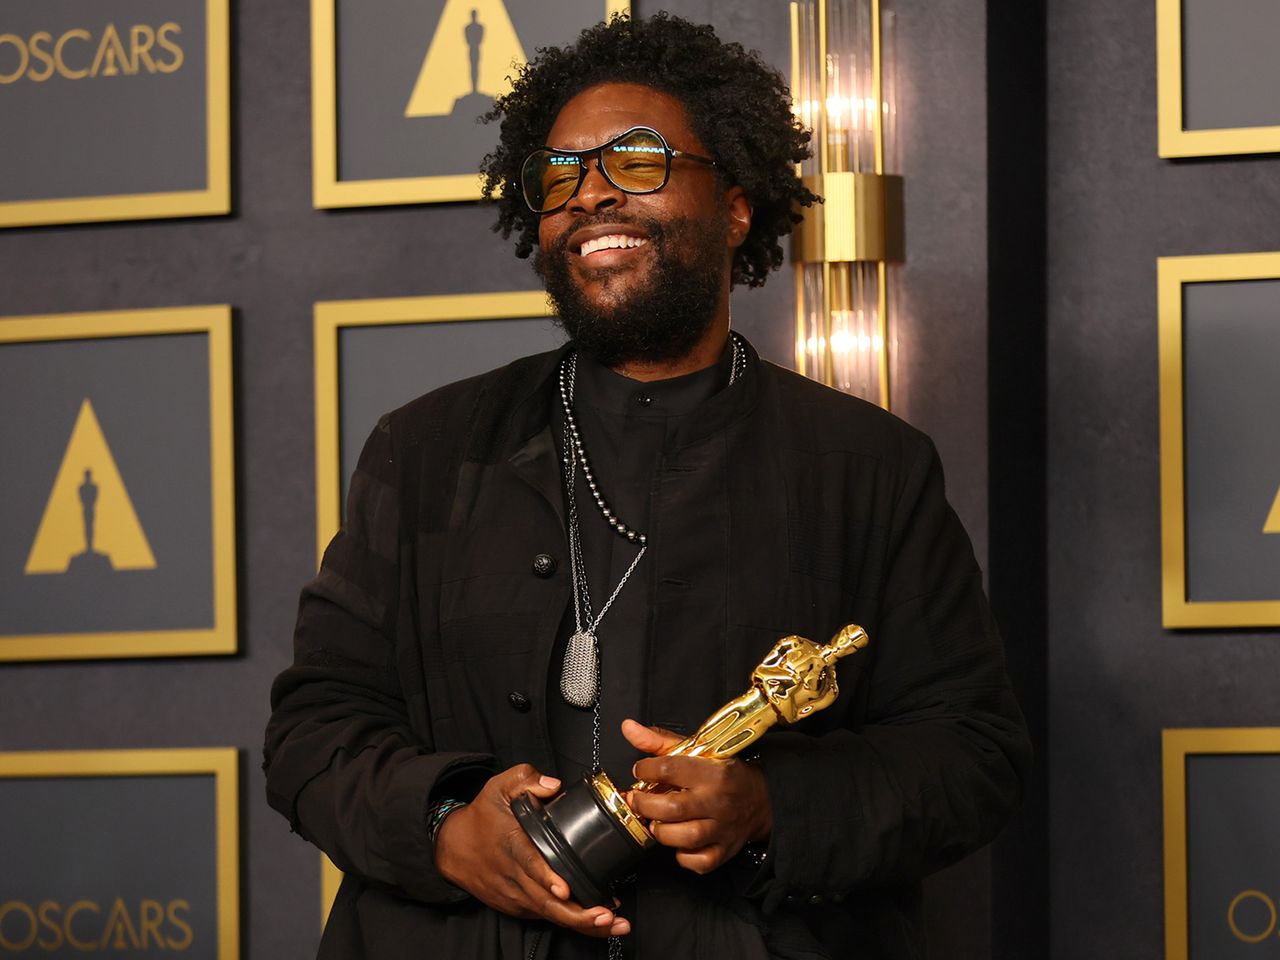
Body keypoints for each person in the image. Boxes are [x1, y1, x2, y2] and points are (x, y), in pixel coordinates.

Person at [264, 13, 1031, 960]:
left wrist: (769, 808)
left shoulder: (872, 467)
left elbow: (973, 758)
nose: (589, 195)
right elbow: (312, 728)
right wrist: (445, 827)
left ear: (736, 207)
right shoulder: (422, 450)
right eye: (559, 176)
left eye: (637, 162)